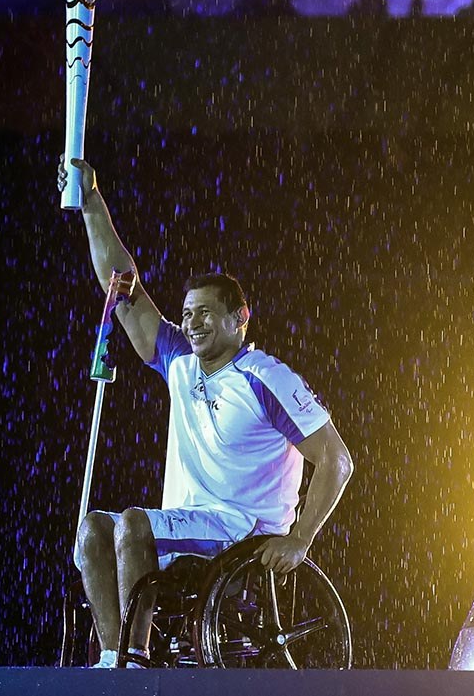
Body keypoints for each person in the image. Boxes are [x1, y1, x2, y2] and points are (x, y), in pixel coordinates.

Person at [59, 156, 353, 668]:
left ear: (239, 319)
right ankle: (113, 660)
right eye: (188, 313)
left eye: (206, 314)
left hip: (243, 530)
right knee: (92, 530)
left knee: (132, 524)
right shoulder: (179, 360)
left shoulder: (264, 378)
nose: (192, 324)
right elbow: (121, 285)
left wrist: (301, 538)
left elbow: (336, 460)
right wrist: (91, 205)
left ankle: (135, 656)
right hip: (187, 523)